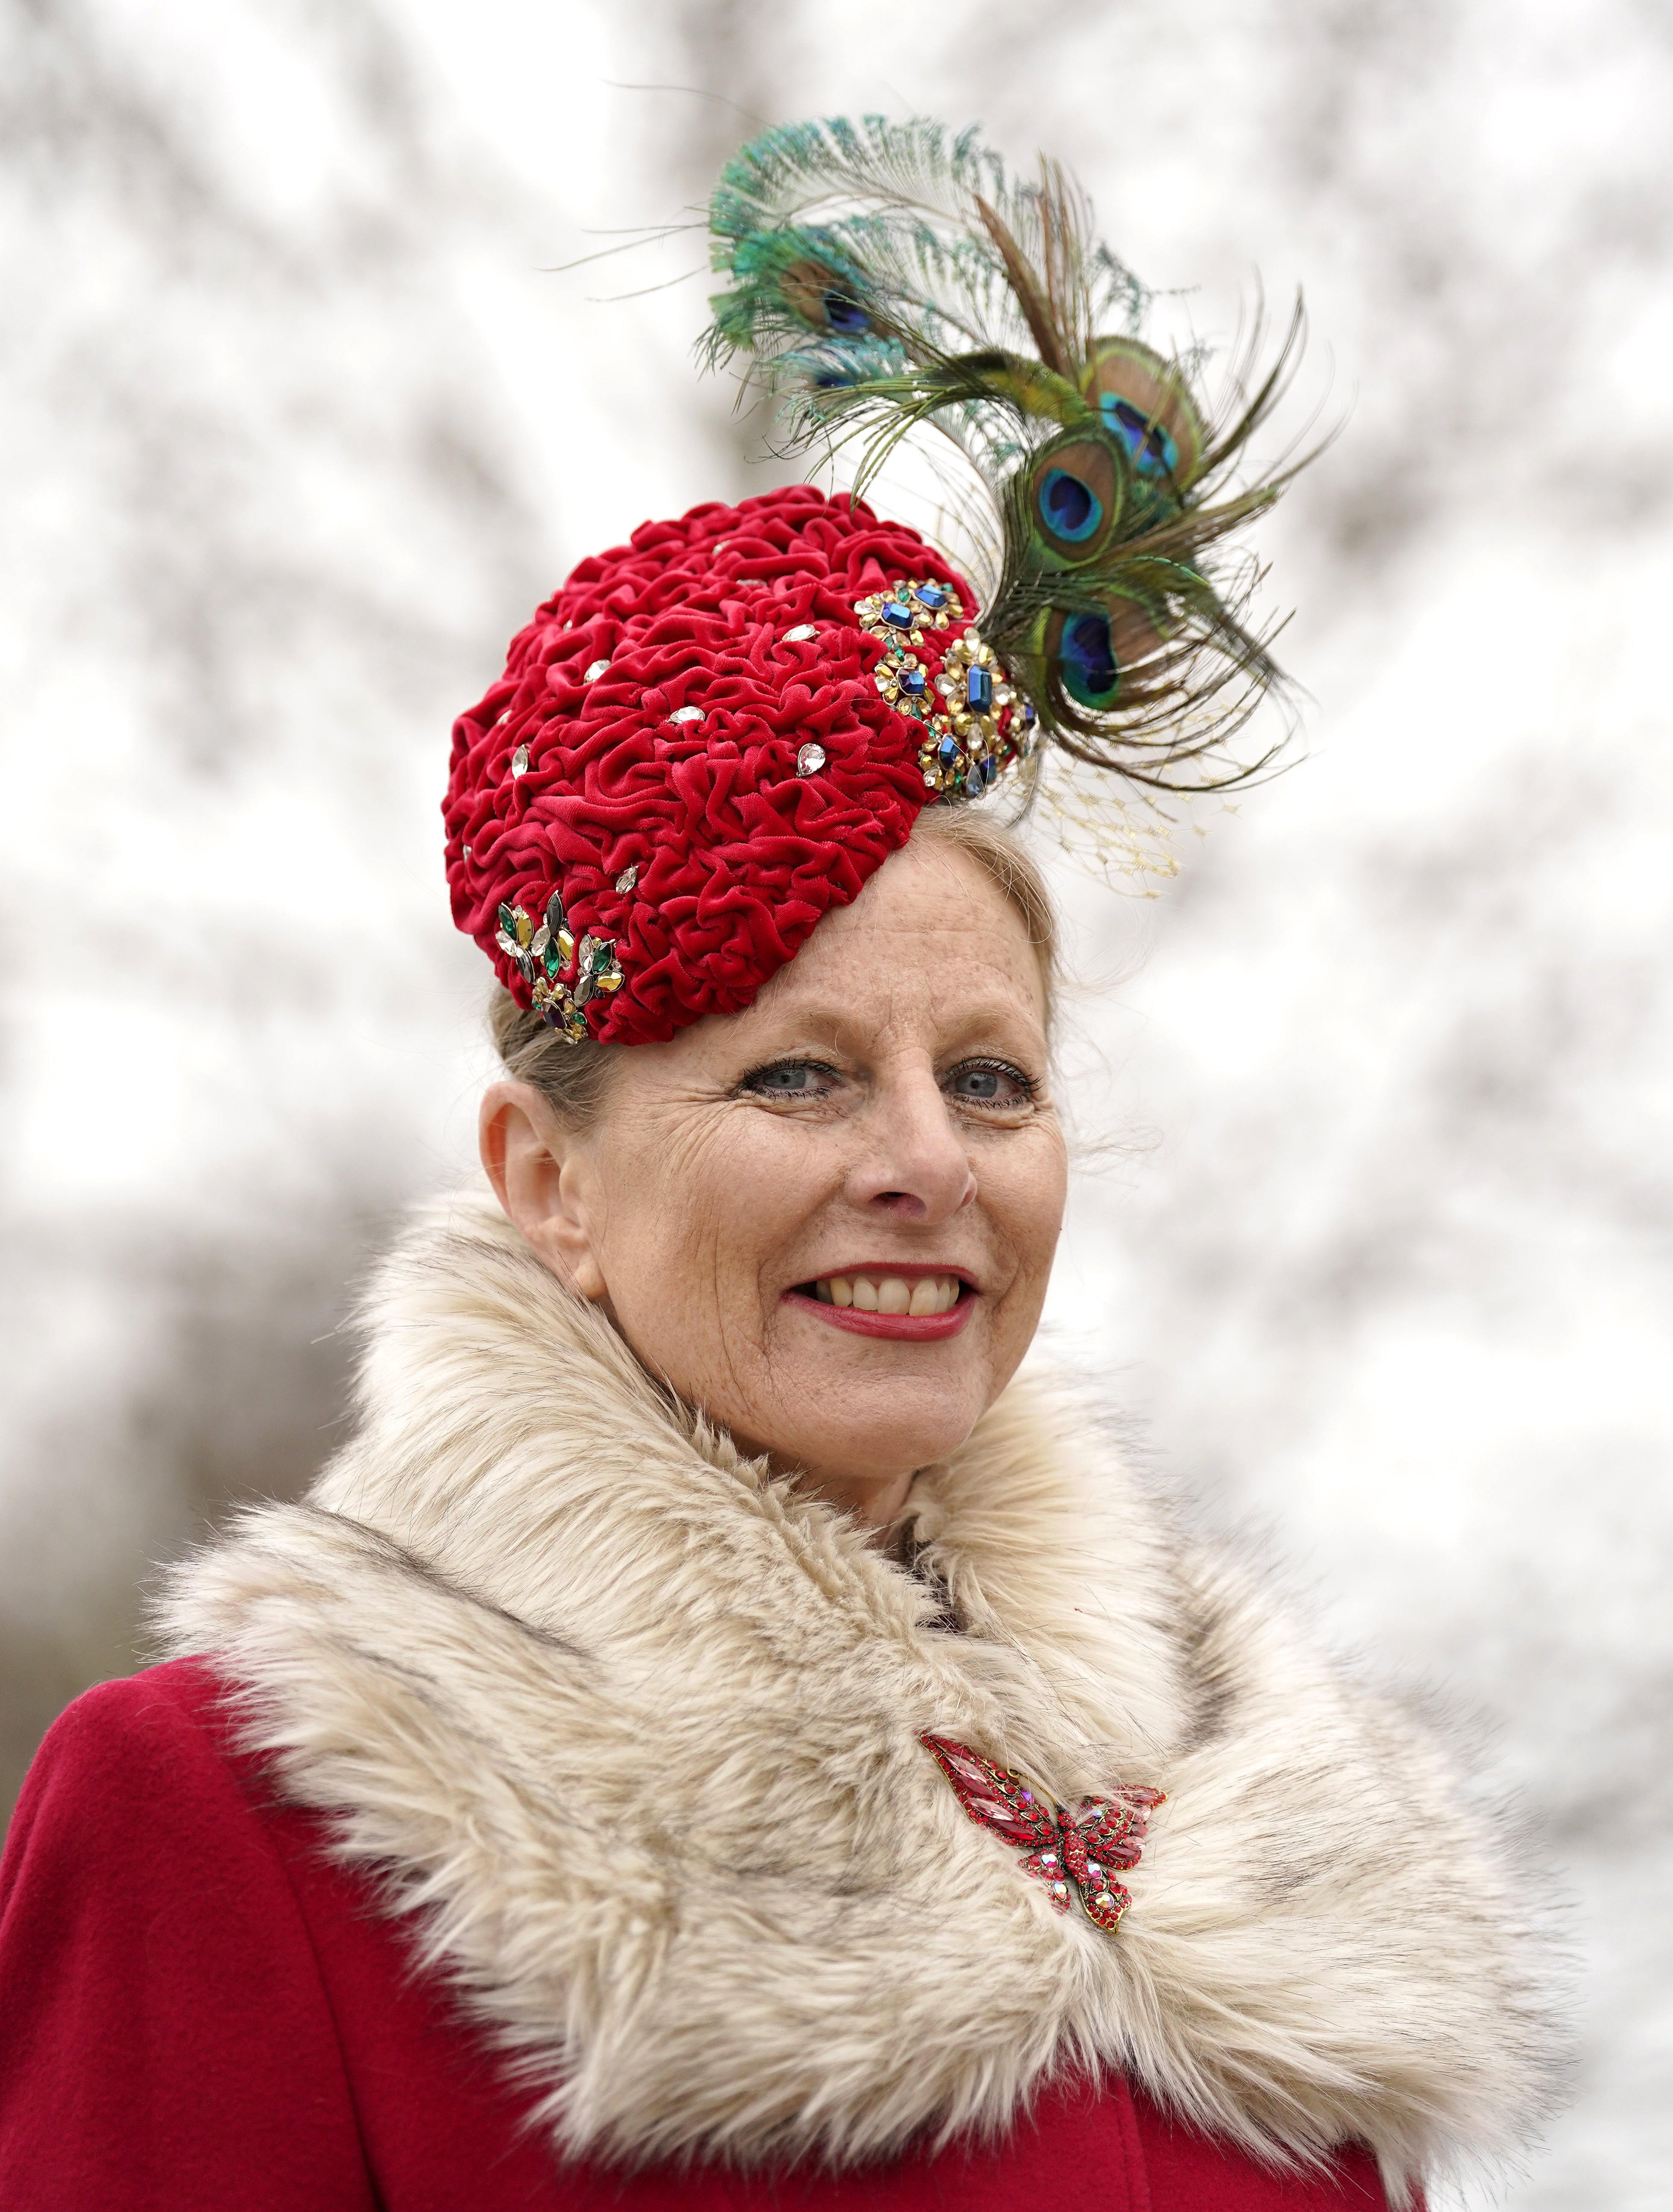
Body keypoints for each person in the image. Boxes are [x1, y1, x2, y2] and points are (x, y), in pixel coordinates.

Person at [0, 118, 1558, 2209]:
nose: (926, 1160)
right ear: (548, 1178)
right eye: (800, 1081)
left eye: (990, 1079)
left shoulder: (1246, 1841)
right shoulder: (249, 1816)